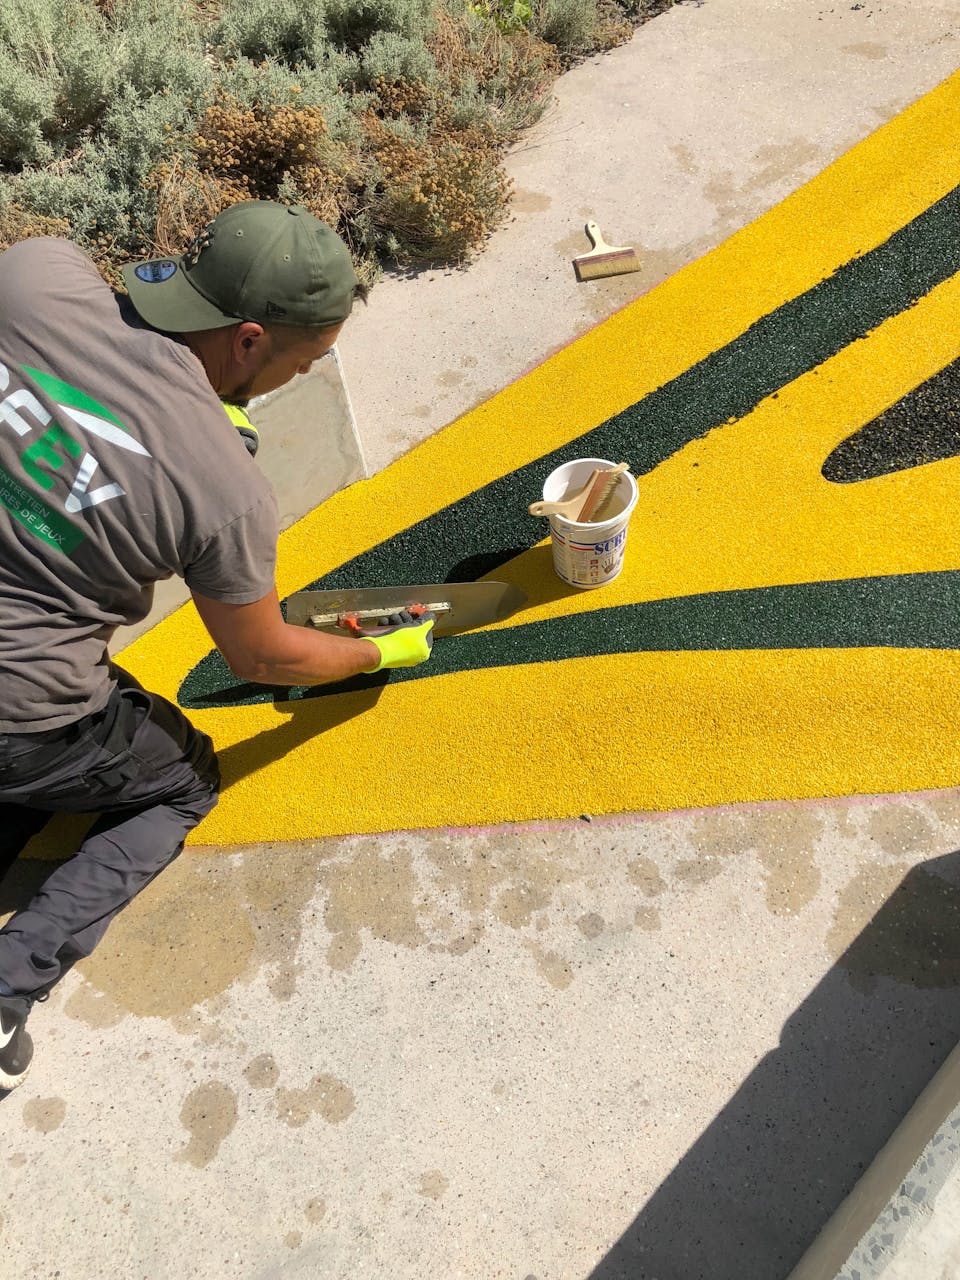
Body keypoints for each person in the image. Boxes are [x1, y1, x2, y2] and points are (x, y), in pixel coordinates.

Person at [0, 200, 436, 1090]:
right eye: (303, 360)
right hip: (19, 706)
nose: (297, 375)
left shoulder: (37, 271)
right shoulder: (223, 489)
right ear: (247, 342)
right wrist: (377, 656)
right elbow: (263, 657)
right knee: (181, 778)